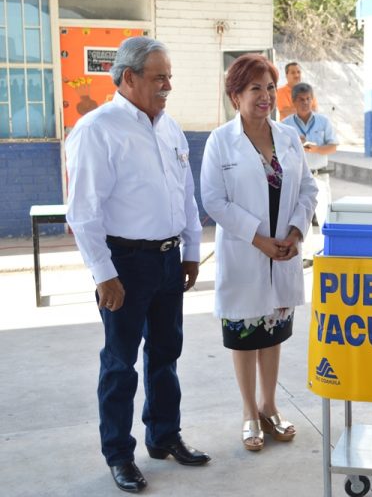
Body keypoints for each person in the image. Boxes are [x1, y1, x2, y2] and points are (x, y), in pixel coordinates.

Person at [65, 36, 209, 494]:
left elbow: (184, 195)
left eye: (170, 76)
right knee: (120, 363)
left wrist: (189, 251)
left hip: (168, 261)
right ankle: (119, 455)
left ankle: (165, 436)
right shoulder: (98, 129)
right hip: (124, 263)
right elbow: (83, 210)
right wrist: (104, 273)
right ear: (128, 78)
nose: (168, 85)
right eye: (159, 77)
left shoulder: (169, 126)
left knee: (165, 355)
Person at [200, 54, 318, 452]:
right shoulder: (220, 141)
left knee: (273, 334)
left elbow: (308, 189)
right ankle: (249, 411)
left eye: (270, 88)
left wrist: (296, 231)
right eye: (256, 89)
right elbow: (214, 201)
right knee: (244, 335)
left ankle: (269, 405)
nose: (266, 96)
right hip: (246, 253)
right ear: (236, 96)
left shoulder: (287, 137)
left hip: (283, 251)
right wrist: (259, 239)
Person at [282, 82, 338, 262]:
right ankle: (305, 256)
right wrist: (296, 143)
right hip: (296, 179)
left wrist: (316, 149)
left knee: (324, 215)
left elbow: (332, 147)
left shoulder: (323, 121)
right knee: (300, 217)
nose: (305, 103)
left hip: (320, 175)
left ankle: (327, 253)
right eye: (301, 100)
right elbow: (279, 152)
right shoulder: (285, 125)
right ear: (294, 102)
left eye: (308, 99)